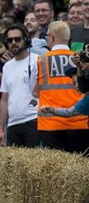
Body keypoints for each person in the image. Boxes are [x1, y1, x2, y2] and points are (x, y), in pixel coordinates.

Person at [36, 21, 89, 154]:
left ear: (52, 37)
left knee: (54, 170)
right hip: (79, 121)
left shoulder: (41, 60)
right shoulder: (79, 59)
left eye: (47, 36)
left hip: (50, 123)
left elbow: (34, 90)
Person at [0, 25, 40, 147]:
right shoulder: (7, 67)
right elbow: (4, 99)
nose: (13, 43)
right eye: (10, 40)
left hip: (34, 120)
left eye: (17, 39)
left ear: (25, 39)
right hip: (13, 124)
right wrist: (1, 130)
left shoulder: (38, 61)